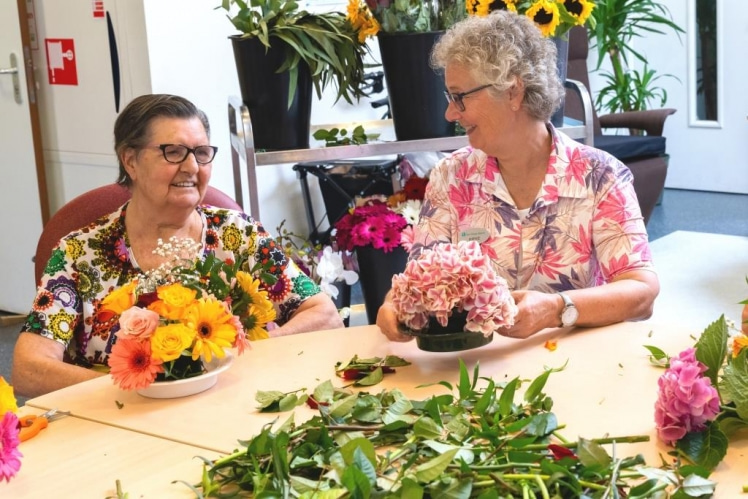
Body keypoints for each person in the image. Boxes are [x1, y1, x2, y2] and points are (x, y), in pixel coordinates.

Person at [13, 94, 343, 397]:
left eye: (201, 153)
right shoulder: (79, 254)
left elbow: (325, 315)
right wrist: (134, 385)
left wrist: (239, 358)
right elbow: (28, 368)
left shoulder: (238, 236)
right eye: (173, 152)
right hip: (117, 420)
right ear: (130, 161)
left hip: (226, 404)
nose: (191, 167)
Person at [377, 11, 660, 341]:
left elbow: (642, 292)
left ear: (512, 91)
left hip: (573, 368)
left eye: (460, 97)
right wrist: (395, 306)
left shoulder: (599, 176)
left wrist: (556, 309)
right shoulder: (451, 177)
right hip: (477, 374)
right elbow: (419, 279)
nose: (450, 113)